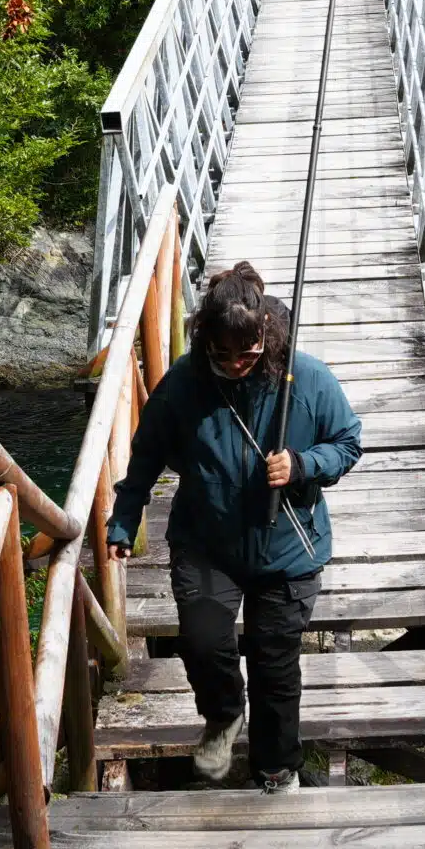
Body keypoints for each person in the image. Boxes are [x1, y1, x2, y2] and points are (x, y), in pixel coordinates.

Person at [107, 262, 362, 793]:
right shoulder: (184, 381)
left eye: (245, 356)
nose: (234, 366)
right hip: (205, 543)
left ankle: (276, 766)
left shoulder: (307, 377)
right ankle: (224, 717)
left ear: (265, 338)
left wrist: (302, 464)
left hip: (288, 547)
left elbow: (348, 443)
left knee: (275, 663)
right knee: (203, 646)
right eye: (220, 356)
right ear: (206, 341)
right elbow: (147, 453)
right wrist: (124, 520)